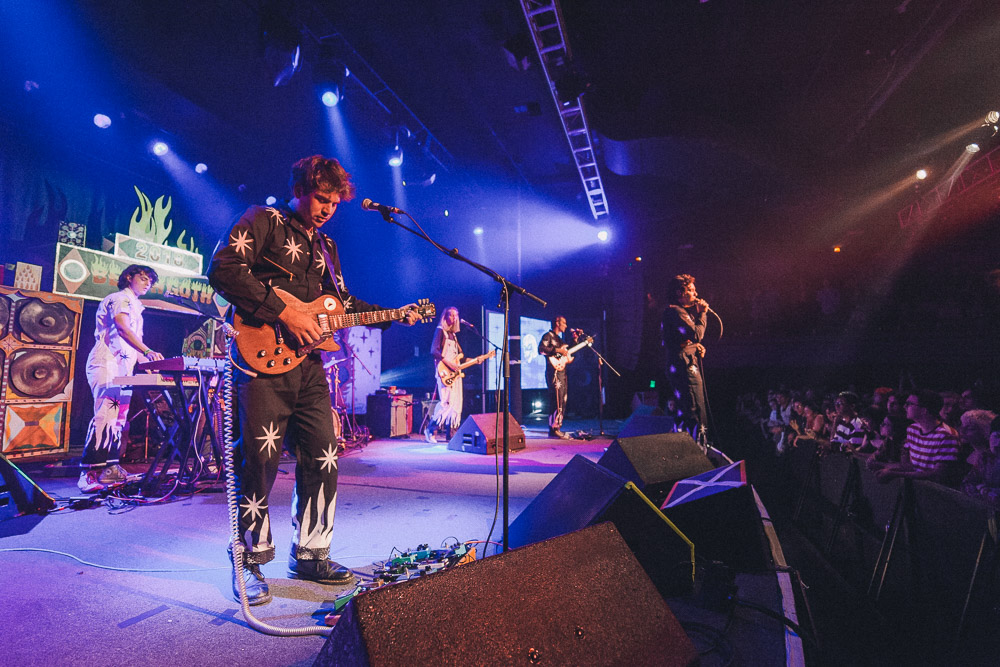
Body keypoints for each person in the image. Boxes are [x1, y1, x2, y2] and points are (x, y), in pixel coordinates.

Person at [208, 154, 421, 605]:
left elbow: (341, 303)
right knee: (259, 459)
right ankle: (247, 560)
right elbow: (224, 268)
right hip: (260, 358)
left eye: (334, 202)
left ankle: (310, 554)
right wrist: (284, 311)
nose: (327, 208)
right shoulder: (262, 219)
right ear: (301, 189)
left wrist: (393, 316)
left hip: (309, 367)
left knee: (325, 452)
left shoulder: (327, 246)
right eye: (320, 199)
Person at [78, 265, 164, 493]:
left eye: (151, 282)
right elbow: (123, 329)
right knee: (105, 414)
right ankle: (89, 473)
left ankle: (110, 468)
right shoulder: (118, 298)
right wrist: (147, 352)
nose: (148, 284)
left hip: (124, 367)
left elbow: (133, 343)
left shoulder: (136, 307)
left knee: (119, 419)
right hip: (106, 361)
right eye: (144, 278)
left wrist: (153, 365)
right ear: (129, 277)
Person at [872, 390, 961, 485]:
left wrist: (894, 473)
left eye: (909, 404)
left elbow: (937, 474)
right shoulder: (912, 429)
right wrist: (887, 468)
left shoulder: (947, 435)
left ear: (924, 410)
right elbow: (909, 466)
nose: (904, 406)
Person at [661, 274, 709, 436]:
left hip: (679, 364)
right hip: (684, 367)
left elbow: (681, 340)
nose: (695, 294)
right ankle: (698, 450)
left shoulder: (675, 312)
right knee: (695, 408)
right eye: (691, 290)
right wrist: (702, 314)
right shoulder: (676, 312)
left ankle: (688, 446)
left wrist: (695, 347)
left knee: (686, 408)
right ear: (680, 294)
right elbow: (696, 334)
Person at [425, 307, 463, 443]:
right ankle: (430, 430)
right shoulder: (441, 331)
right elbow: (434, 351)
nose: (455, 318)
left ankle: (451, 435)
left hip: (455, 372)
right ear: (446, 316)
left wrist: (477, 360)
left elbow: (460, 355)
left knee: (456, 404)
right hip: (444, 371)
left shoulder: (454, 335)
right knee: (445, 402)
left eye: (456, 315)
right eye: (452, 315)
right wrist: (449, 364)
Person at [538, 315, 576, 439]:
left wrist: (575, 340)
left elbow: (566, 352)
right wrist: (557, 350)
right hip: (553, 371)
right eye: (564, 323)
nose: (566, 326)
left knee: (563, 398)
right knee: (557, 399)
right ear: (557, 323)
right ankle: (554, 428)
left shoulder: (559, 339)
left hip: (561, 371)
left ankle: (557, 427)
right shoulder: (548, 336)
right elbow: (541, 349)